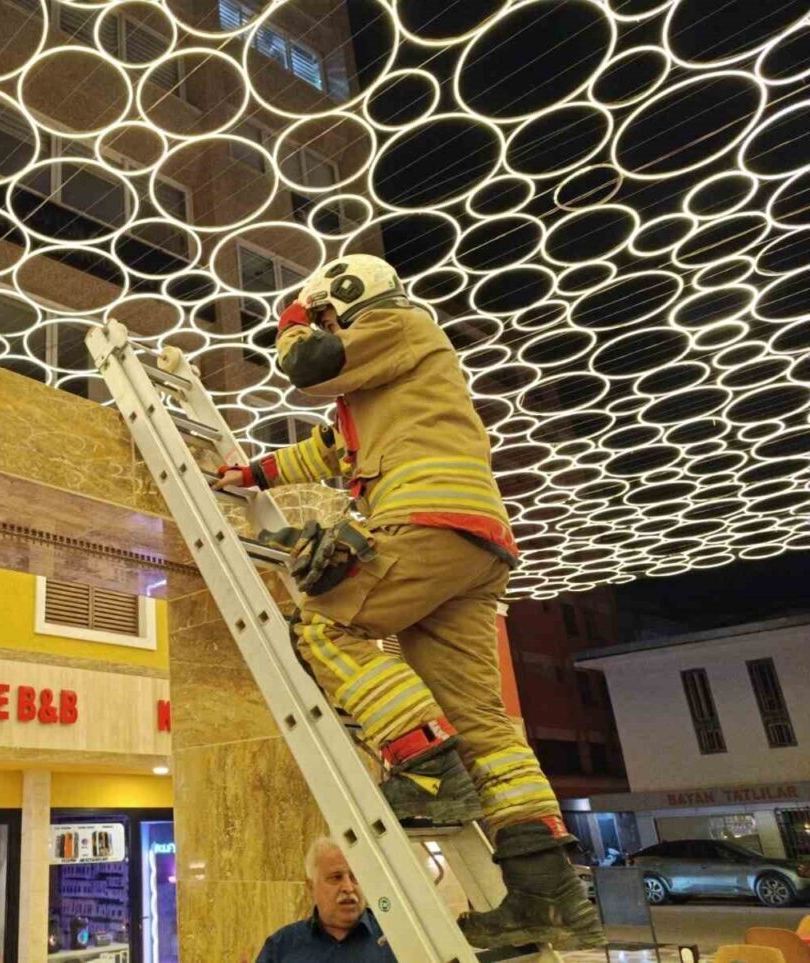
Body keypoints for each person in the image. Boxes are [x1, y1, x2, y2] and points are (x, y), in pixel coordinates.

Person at [213, 254, 604, 951]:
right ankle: (547, 894)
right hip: (474, 545)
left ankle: (426, 767)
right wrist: (254, 472)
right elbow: (334, 447)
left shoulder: (398, 324)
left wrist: (297, 318)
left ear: (350, 300)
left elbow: (312, 364)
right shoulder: (391, 381)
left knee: (325, 625)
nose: (328, 326)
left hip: (428, 521)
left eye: (332, 313)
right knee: (482, 721)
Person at [253, 837, 398, 962]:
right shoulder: (282, 947)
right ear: (311, 887)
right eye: (336, 877)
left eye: (355, 877)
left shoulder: (395, 940)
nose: (348, 887)